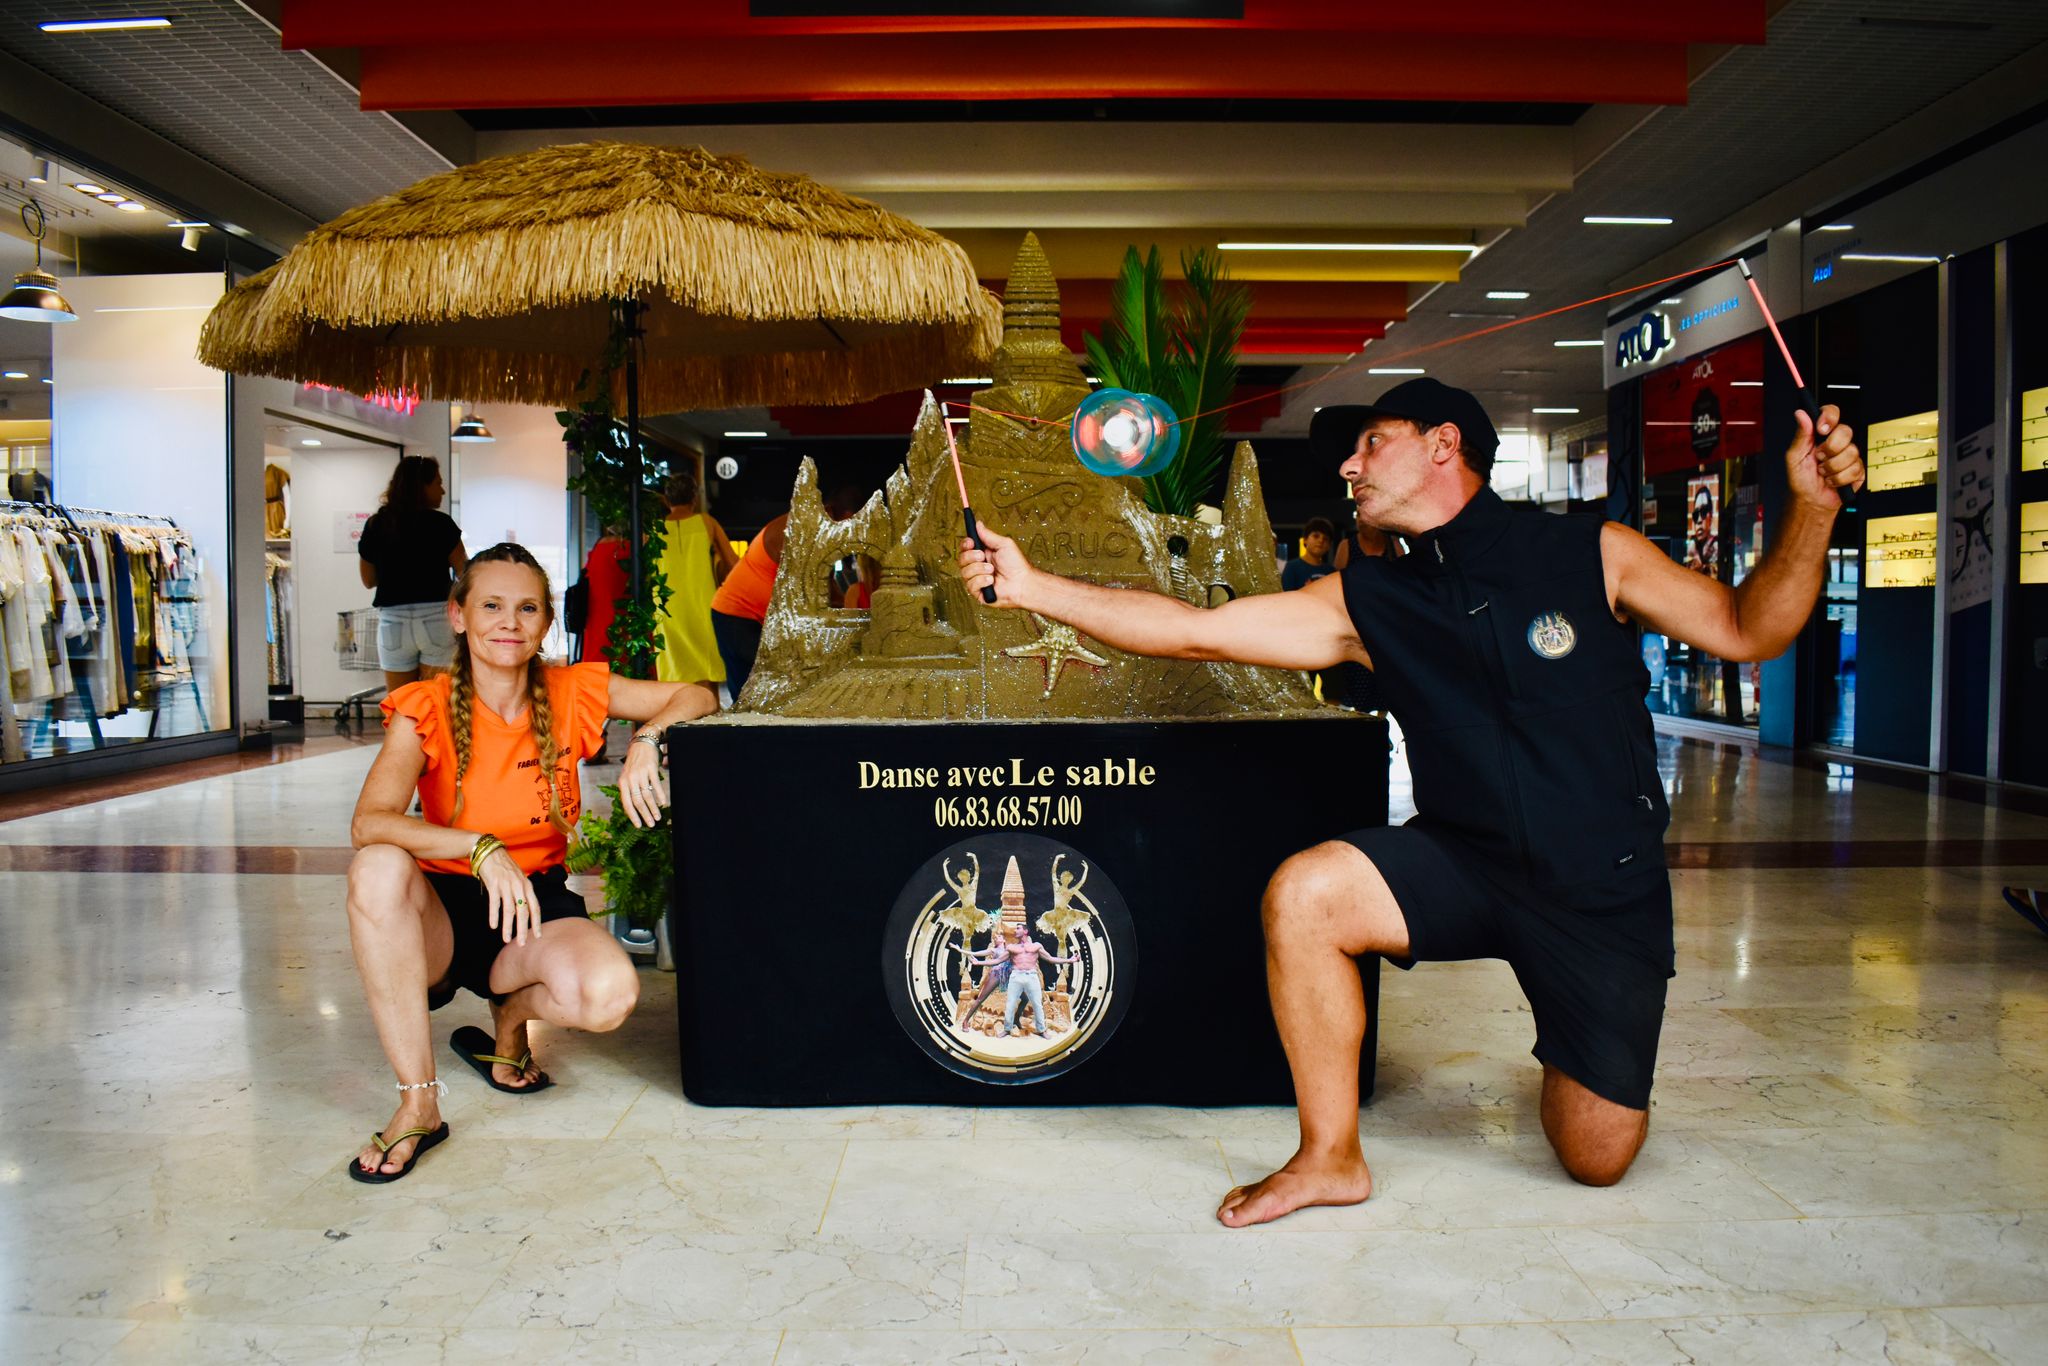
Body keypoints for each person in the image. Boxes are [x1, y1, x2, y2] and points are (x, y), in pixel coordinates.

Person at [960, 376, 1865, 1226]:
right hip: (1464, 863)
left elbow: (1749, 628)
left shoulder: (1593, 553)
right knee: (1306, 894)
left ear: (1443, 445)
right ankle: (1329, 1158)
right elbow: (1196, 633)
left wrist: (1815, 509)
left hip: (1601, 888)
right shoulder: (1366, 600)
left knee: (1594, 1155)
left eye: (1370, 443)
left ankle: (1580, 1043)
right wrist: (1031, 586)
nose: (1348, 466)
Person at [343, 542, 717, 1183]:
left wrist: (647, 741)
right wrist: (479, 847)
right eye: (491, 605)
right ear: (458, 615)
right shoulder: (425, 706)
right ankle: (418, 1104)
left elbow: (699, 696)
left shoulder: (573, 690)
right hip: (440, 912)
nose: (509, 622)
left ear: (546, 623)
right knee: (377, 866)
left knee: (609, 995)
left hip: (533, 905)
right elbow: (368, 822)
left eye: (527, 608)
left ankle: (510, 1019)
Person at [357, 455, 467, 696]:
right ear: (422, 486)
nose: (443, 490)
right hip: (436, 618)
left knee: (401, 705)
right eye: (438, 483)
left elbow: (368, 580)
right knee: (438, 702)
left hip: (393, 623)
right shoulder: (441, 524)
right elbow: (465, 574)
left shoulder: (377, 524)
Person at [653, 468, 739, 693]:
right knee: (705, 671)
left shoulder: (654, 530)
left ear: (667, 499)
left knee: (674, 673)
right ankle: (708, 713)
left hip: (665, 608)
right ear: (694, 498)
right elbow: (734, 564)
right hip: (702, 604)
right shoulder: (707, 523)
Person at [709, 512, 785, 699]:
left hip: (736, 611)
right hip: (737, 613)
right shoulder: (790, 530)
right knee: (750, 691)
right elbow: (730, 560)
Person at [577, 524, 630, 667]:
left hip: (597, 623)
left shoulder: (598, 547)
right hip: (624, 625)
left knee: (598, 670)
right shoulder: (631, 549)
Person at [1280, 517, 1339, 591]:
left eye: (1325, 539)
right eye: (1316, 536)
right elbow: (1286, 595)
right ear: (1305, 540)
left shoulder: (1331, 571)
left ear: (1329, 546)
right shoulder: (1292, 567)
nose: (1321, 541)